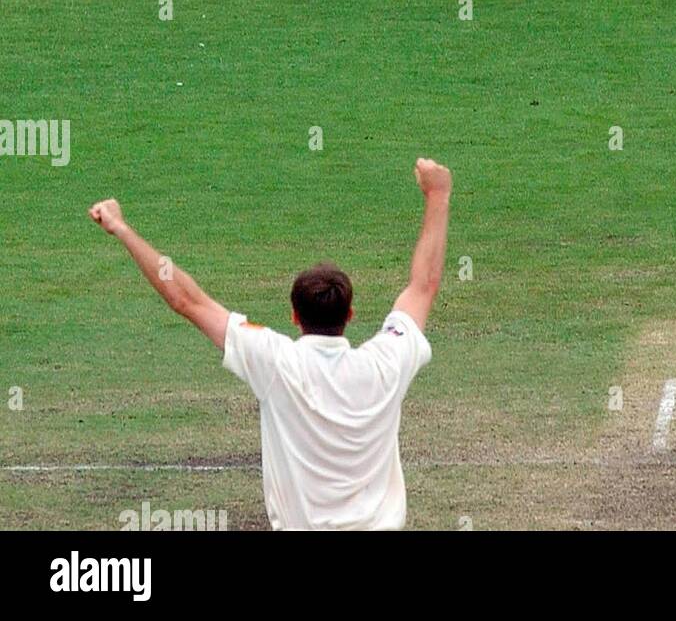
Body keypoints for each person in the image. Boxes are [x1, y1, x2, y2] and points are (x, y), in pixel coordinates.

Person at [88, 157, 451, 530]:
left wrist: (121, 228)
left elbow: (187, 301)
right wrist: (438, 195)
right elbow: (423, 286)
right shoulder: (386, 363)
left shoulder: (276, 362)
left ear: (294, 316)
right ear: (351, 314)